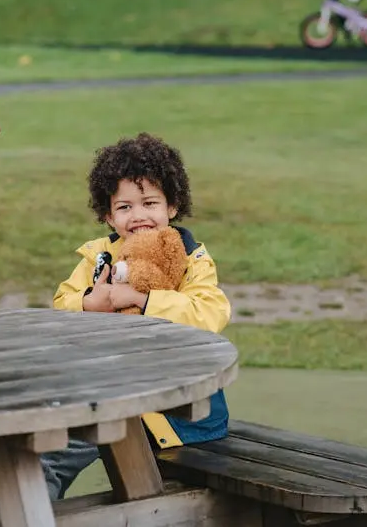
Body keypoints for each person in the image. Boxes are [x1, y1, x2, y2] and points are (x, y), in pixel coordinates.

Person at [42, 131, 232, 500]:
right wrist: (87, 303)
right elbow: (60, 304)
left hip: (179, 412)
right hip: (111, 394)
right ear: (107, 215)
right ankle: (25, 507)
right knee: (51, 449)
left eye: (150, 203)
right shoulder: (99, 257)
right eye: (125, 207)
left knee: (159, 484)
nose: (139, 216)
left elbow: (209, 313)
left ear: (172, 207)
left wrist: (144, 300)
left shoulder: (191, 258)